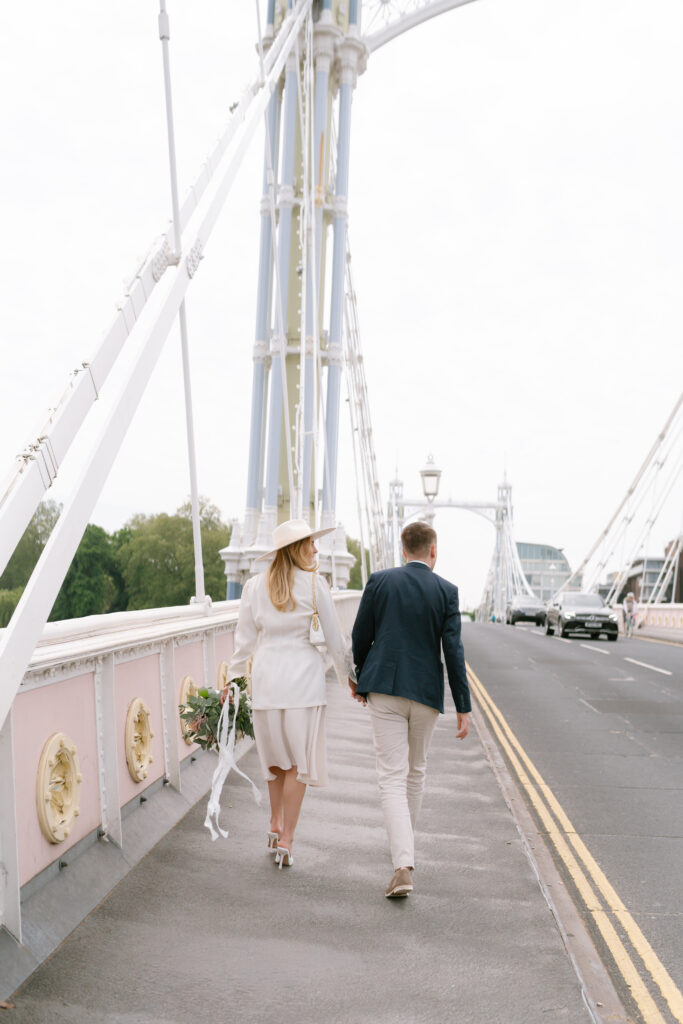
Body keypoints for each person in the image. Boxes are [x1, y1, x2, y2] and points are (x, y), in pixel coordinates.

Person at [221, 519, 354, 869]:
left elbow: (243, 642)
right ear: (298, 548)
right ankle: (287, 838)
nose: (315, 549)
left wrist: (234, 682)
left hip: (265, 680)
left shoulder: (253, 587)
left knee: (275, 760)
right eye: (311, 543)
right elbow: (334, 640)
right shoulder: (315, 585)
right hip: (304, 683)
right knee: (297, 763)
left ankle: (274, 821)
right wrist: (349, 680)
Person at [350, 521, 471, 898]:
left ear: (403, 550)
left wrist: (360, 677)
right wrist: (463, 707)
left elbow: (360, 635)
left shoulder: (380, 581)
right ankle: (404, 857)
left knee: (390, 777)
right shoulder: (446, 591)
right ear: (433, 550)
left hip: (384, 688)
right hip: (426, 693)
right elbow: (453, 652)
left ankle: (403, 863)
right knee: (415, 773)